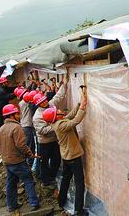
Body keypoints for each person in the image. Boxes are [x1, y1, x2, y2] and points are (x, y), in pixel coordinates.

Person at [42, 87, 87, 215]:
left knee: (66, 178)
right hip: (73, 156)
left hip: (67, 157)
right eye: (59, 111)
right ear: (56, 116)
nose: (61, 110)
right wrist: (83, 108)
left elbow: (71, 115)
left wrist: (79, 103)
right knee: (79, 183)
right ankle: (79, 210)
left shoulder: (58, 122)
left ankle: (61, 201)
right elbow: (76, 120)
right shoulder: (61, 125)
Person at [0, 104, 40, 212]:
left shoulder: (0, 129)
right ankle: (34, 203)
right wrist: (29, 154)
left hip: (7, 161)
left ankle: (12, 205)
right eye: (17, 113)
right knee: (28, 180)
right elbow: (21, 145)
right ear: (11, 116)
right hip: (17, 161)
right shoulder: (16, 127)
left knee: (11, 183)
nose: (19, 115)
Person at [33, 74, 69, 188]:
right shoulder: (37, 116)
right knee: (44, 162)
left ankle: (52, 176)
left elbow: (58, 97)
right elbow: (43, 130)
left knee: (56, 159)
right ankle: (46, 181)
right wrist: (56, 125)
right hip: (44, 142)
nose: (45, 102)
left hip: (54, 139)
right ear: (38, 105)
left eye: (45, 100)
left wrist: (65, 84)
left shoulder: (50, 105)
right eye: (42, 102)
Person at [0, 76, 17, 143]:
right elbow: (9, 97)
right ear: (2, 83)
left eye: (7, 82)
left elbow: (10, 89)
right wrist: (17, 92)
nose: (7, 83)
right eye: (5, 82)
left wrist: (17, 87)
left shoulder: (4, 88)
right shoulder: (1, 91)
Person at [17, 88, 37, 167]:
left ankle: (29, 162)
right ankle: (29, 163)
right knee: (30, 145)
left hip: (25, 125)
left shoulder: (21, 103)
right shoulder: (25, 103)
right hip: (27, 126)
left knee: (29, 144)